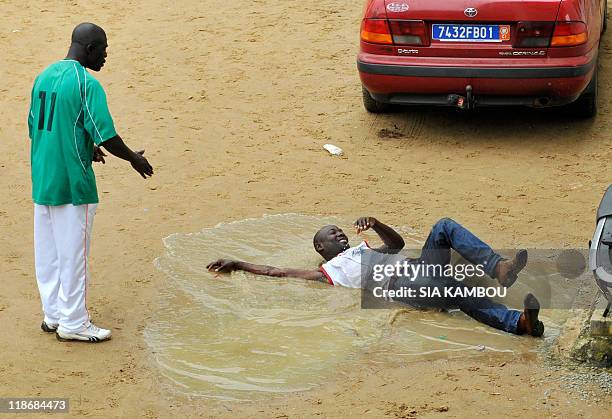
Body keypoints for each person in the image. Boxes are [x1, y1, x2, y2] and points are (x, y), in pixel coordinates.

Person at [207, 217, 544, 337]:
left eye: (340, 231)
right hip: (403, 285)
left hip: (419, 269)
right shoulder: (328, 271)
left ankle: (498, 269)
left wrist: (377, 223)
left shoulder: (366, 249)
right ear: (320, 248)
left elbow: (395, 244)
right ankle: (516, 324)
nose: (339, 234)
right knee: (454, 291)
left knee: (444, 227)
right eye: (331, 234)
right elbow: (275, 271)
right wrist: (238, 263)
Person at [28, 23, 154, 342]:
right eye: (103, 50)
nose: (105, 56)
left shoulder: (43, 77)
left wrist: (86, 146)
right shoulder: (86, 83)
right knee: (74, 255)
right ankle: (75, 323)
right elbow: (106, 134)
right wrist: (133, 159)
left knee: (50, 254)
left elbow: (40, 127)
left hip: (43, 178)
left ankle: (54, 315)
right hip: (74, 183)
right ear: (89, 48)